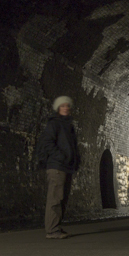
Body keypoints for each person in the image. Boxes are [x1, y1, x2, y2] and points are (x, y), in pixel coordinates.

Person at [37, 96, 81, 239]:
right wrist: (60, 156)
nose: (65, 108)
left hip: (66, 167)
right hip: (56, 166)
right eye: (62, 106)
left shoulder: (68, 125)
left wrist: (74, 160)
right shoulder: (54, 124)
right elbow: (47, 142)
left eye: (67, 106)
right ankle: (52, 230)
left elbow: (72, 146)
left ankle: (56, 227)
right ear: (57, 108)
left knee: (62, 198)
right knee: (55, 198)